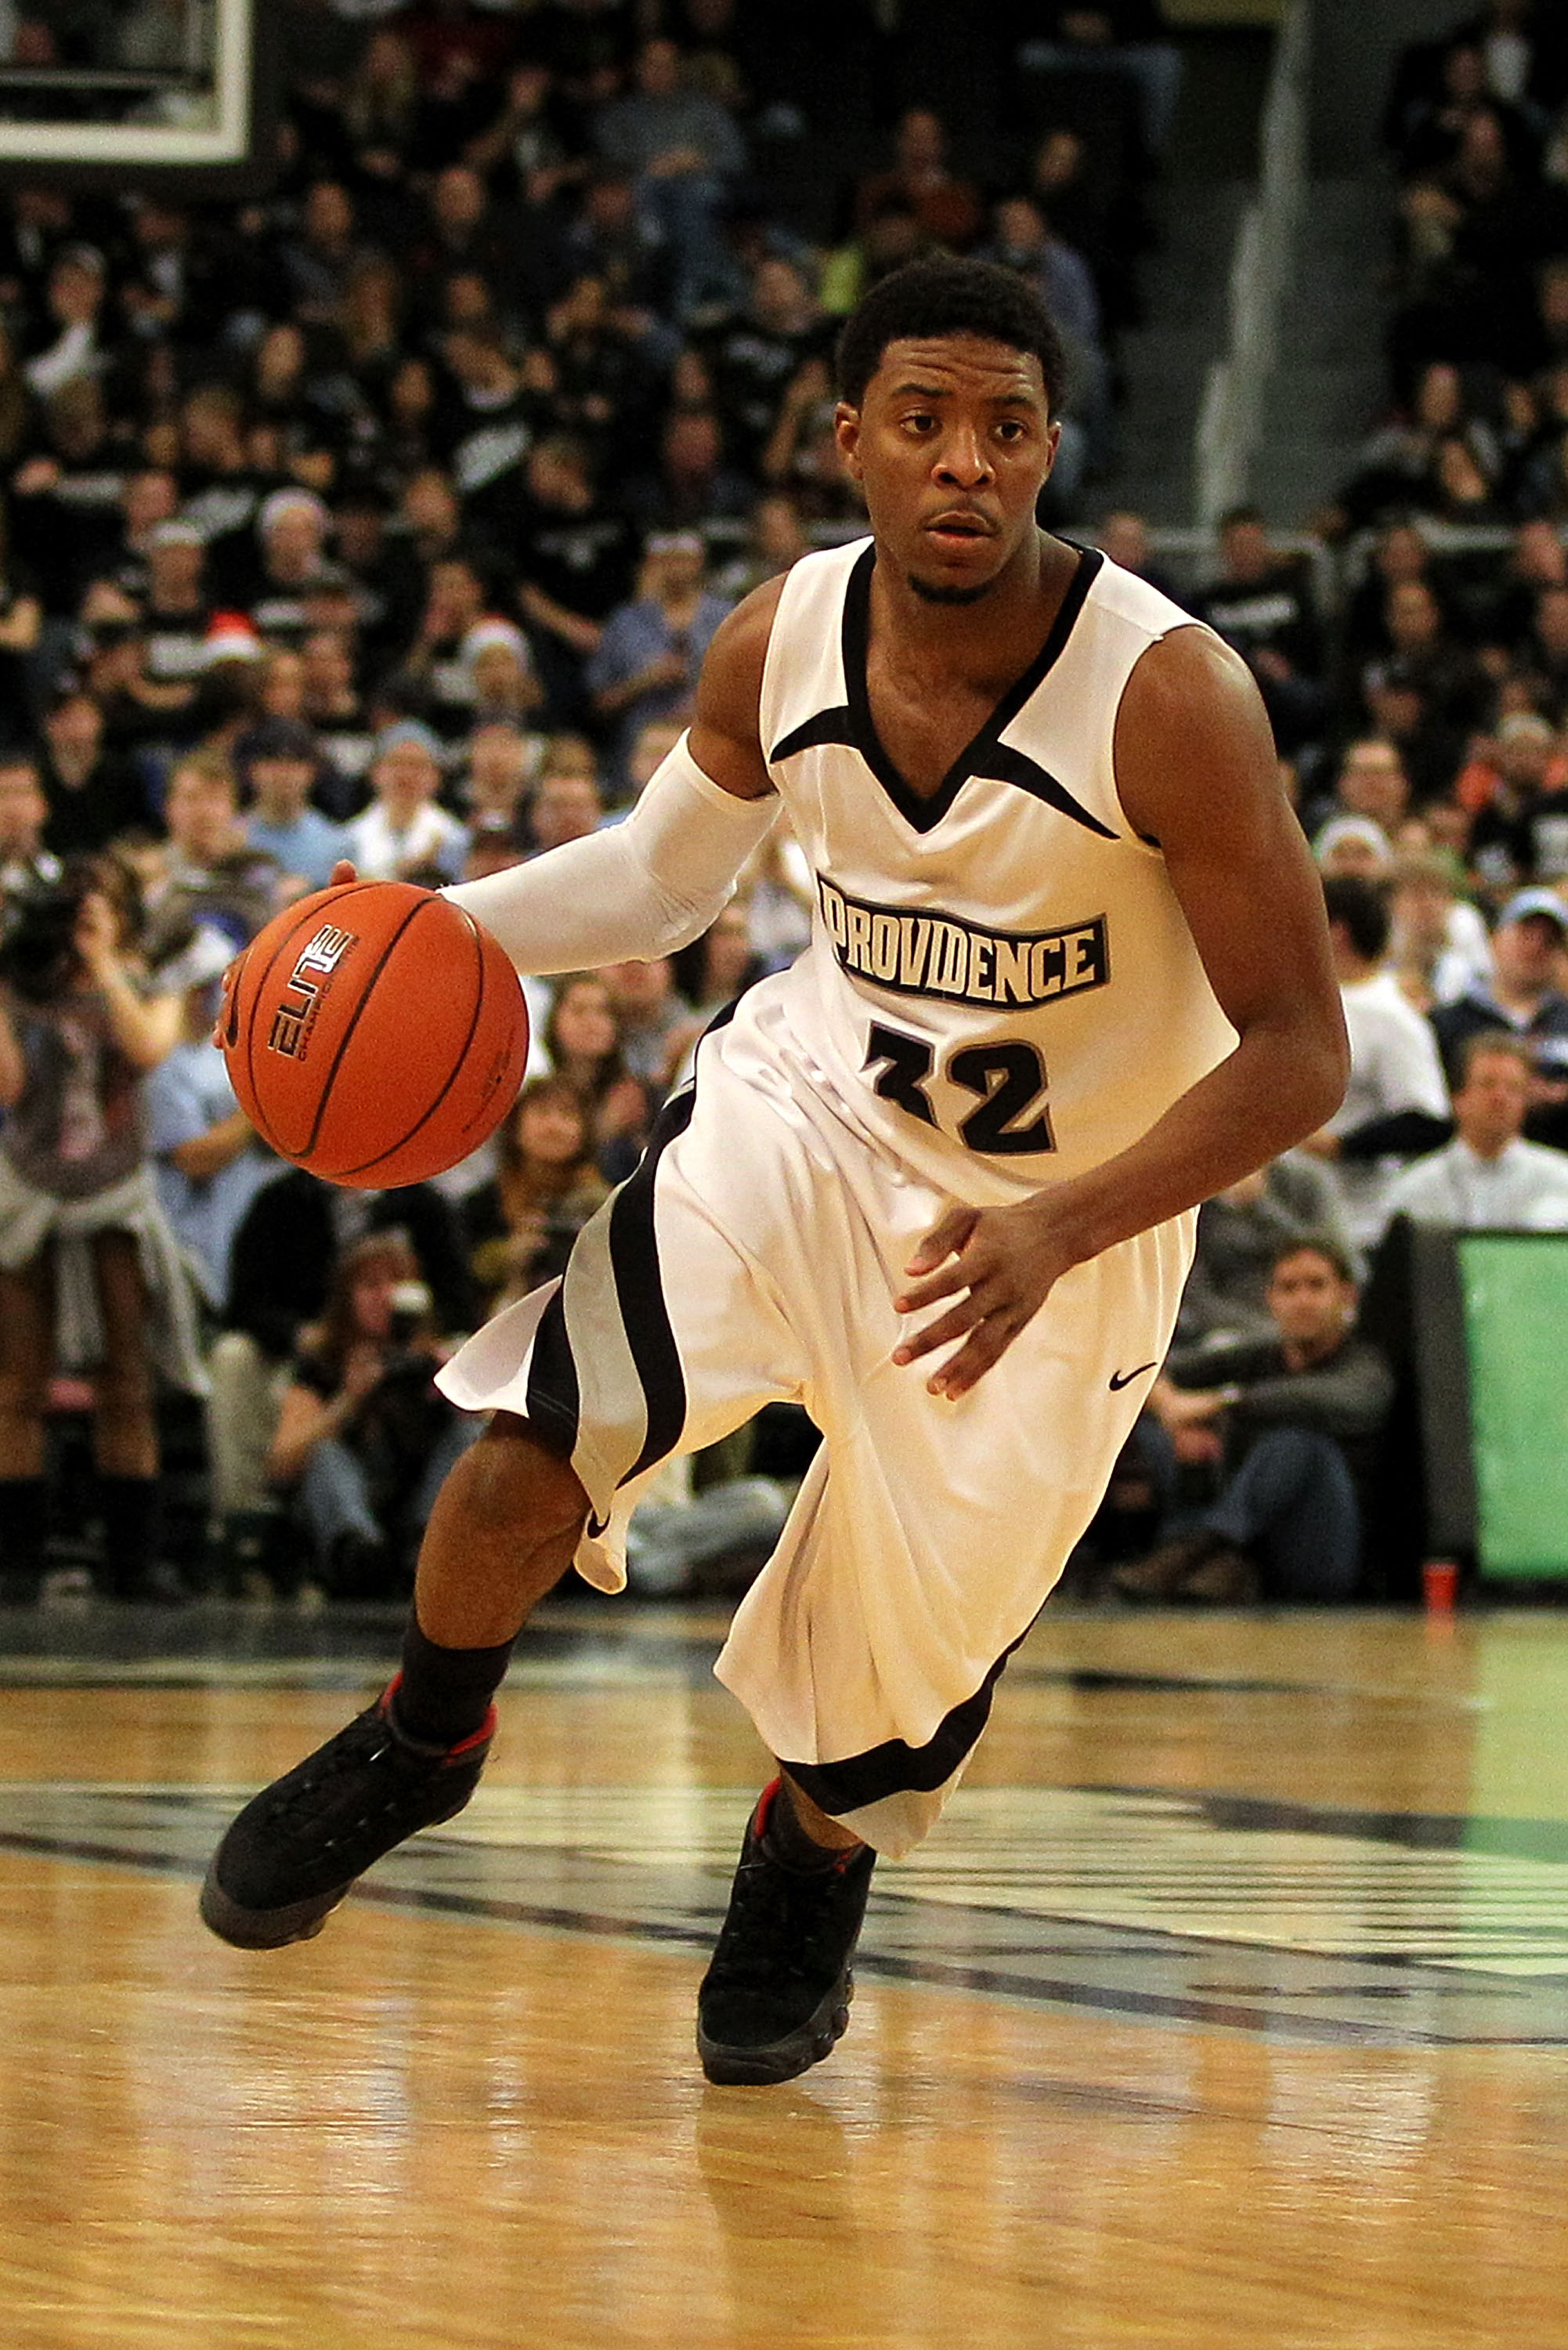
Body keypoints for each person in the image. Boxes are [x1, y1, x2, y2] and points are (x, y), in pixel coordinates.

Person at [200, 258, 1346, 2086]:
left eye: (1007, 426)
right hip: (804, 1115)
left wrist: (1059, 1220)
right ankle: (425, 1734)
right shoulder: (780, 637)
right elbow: (665, 881)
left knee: (891, 1701)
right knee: (537, 1429)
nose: (965, 462)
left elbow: (1302, 1048)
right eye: (923, 421)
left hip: (1055, 1225)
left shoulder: (1170, 699)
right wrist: (401, 933)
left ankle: (803, 1851)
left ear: (1050, 450)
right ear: (850, 443)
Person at [1111, 1239, 1393, 1606]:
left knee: (1296, 1444)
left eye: (1316, 1286)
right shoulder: (1257, 1356)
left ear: (1347, 1296)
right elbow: (1147, 1370)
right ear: (1271, 1298)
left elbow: (1334, 1400)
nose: (1302, 1301)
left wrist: (1222, 1404)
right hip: (1252, 1547)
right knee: (1151, 1430)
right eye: (1289, 1288)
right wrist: (1171, 1410)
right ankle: (1221, 1563)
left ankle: (1197, 1547)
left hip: (1322, 1551)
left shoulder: (1365, 1365)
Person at [1382, 1029, 1568, 1228]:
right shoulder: (1414, 1189)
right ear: (1458, 1098)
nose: (1500, 1098)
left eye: (1513, 1088)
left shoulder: (1561, 1181)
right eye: (1488, 1085)